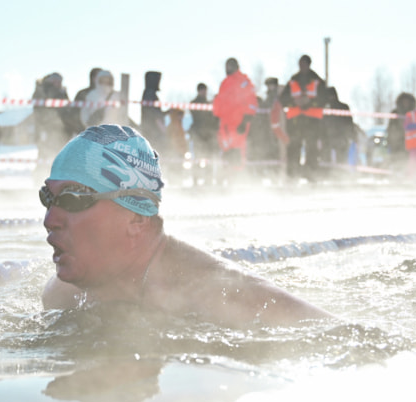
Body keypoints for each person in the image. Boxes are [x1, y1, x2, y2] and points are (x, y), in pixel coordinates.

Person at [40, 124, 333, 327]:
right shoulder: (61, 295)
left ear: (136, 218)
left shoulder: (231, 300)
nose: (50, 219)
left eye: (73, 199)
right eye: (48, 198)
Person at [280, 55, 326, 181]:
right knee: (293, 148)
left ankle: (311, 175)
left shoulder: (317, 81)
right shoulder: (293, 80)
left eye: (304, 63)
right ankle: (292, 176)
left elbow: (324, 98)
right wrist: (295, 102)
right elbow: (283, 99)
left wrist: (310, 103)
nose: (302, 66)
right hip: (295, 122)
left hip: (312, 122)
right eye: (301, 63)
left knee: (312, 149)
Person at [213, 58, 259, 180]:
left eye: (230, 66)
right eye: (227, 66)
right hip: (225, 125)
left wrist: (246, 119)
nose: (228, 68)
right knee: (226, 152)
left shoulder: (243, 81)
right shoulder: (224, 83)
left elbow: (251, 100)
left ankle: (239, 179)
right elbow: (220, 102)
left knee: (238, 153)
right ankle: (227, 179)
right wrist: (216, 117)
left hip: (238, 123)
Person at [188, 82, 218, 186]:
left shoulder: (208, 103)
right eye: (203, 90)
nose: (204, 92)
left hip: (207, 136)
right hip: (198, 135)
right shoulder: (195, 103)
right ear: (199, 91)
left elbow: (212, 118)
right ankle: (196, 181)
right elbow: (198, 116)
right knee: (197, 159)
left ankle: (208, 181)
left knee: (208, 159)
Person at [386, 92, 416, 173]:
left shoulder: (413, 114)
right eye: (404, 101)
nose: (406, 103)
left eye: (407, 101)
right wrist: (390, 139)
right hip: (396, 143)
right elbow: (390, 127)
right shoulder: (395, 112)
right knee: (396, 161)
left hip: (409, 142)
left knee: (408, 162)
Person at [138, 71, 166, 148]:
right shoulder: (149, 94)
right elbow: (154, 114)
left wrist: (166, 113)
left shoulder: (149, 93)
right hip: (152, 132)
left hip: (151, 131)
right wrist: (162, 128)